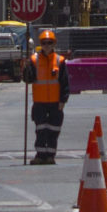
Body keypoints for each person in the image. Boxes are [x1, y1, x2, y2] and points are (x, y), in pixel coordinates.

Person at [22, 28, 72, 164]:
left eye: (49, 43)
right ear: (40, 44)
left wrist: (63, 100)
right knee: (40, 130)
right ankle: (40, 155)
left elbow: (65, 82)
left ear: (54, 43)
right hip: (39, 102)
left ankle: (50, 156)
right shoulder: (33, 60)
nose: (47, 45)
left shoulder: (60, 61)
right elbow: (28, 79)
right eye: (44, 43)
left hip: (56, 103)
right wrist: (26, 68)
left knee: (53, 130)